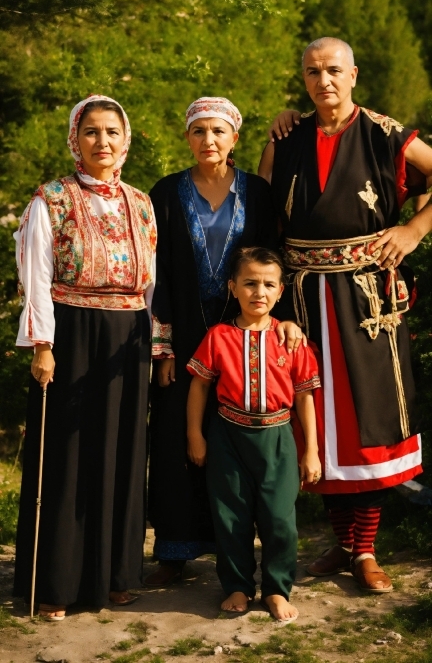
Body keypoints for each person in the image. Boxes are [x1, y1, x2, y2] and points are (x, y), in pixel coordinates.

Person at [259, 37, 432, 593]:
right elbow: (264, 221)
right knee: (319, 422)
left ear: (353, 74)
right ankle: (342, 540)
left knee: (369, 420)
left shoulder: (386, 134)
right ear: (303, 78)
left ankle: (365, 548)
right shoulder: (285, 139)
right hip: (302, 301)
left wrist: (413, 230)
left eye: (333, 70)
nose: (323, 80)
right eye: (312, 72)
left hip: (368, 301)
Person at [147, 97, 304, 586]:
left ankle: (234, 551)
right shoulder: (166, 193)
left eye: (218, 131)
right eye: (198, 132)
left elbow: (275, 261)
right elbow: (159, 272)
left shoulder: (257, 193)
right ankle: (175, 546)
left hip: (243, 336)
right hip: (186, 335)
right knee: (179, 436)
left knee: (235, 445)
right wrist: (165, 346)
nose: (208, 141)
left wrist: (286, 319)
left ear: (235, 138)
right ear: (187, 138)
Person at [13, 95, 157, 619]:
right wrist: (43, 346)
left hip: (128, 339)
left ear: (126, 139)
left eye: (112, 132)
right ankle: (57, 582)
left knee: (121, 451)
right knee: (68, 455)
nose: (103, 142)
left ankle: (115, 575)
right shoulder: (50, 199)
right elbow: (36, 276)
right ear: (76, 138)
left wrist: (156, 345)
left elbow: (151, 285)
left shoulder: (141, 202)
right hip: (70, 334)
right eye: (92, 132)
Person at [186, 246, 321, 621]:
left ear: (280, 292)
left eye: (267, 285)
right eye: (249, 283)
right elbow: (198, 387)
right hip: (227, 436)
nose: (258, 292)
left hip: (278, 438)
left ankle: (277, 590)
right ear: (232, 288)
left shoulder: (292, 340)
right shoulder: (218, 336)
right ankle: (238, 586)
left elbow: (305, 398)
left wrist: (311, 451)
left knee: (279, 519)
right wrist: (195, 436)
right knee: (232, 517)